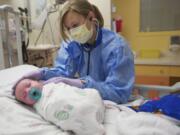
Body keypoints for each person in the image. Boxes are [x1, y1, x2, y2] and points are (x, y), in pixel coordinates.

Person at [22, 0, 134, 104]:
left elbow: (119, 93)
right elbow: (63, 72)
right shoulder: (72, 44)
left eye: (75, 25)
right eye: (68, 28)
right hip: (86, 101)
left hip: (111, 103)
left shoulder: (117, 47)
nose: (72, 32)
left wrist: (83, 84)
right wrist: (43, 73)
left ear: (91, 17)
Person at [13, 78, 105, 135]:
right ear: (28, 104)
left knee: (93, 93)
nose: (29, 90)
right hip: (72, 110)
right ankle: (94, 128)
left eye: (29, 85)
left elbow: (66, 88)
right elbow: (53, 114)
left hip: (82, 98)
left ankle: (93, 108)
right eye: (24, 95)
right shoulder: (39, 107)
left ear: (38, 81)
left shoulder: (50, 85)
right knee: (77, 114)